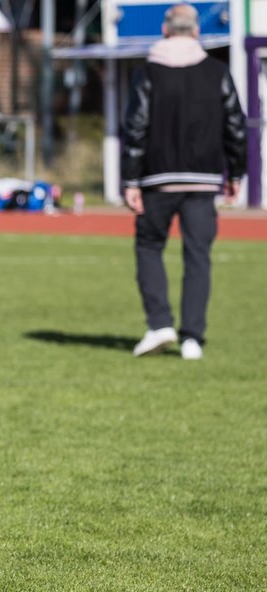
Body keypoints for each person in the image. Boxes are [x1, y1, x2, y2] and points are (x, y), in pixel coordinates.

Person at [122, 3, 246, 360]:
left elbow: (136, 127)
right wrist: (235, 173)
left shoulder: (147, 73)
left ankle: (160, 323)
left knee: (149, 246)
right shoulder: (217, 72)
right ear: (195, 32)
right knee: (198, 257)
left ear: (164, 30)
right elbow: (235, 125)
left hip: (156, 178)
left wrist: (130, 180)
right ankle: (192, 337)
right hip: (204, 180)